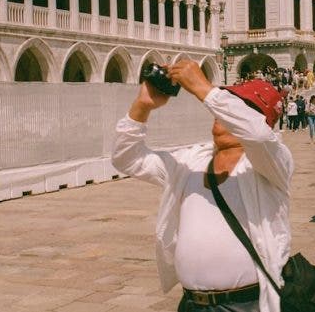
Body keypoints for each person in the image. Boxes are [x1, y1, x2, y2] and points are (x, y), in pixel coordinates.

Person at [112, 60, 292, 312]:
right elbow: (127, 159)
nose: (223, 112)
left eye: (237, 106)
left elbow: (259, 135)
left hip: (246, 304)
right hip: (192, 304)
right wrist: (143, 106)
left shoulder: (270, 165)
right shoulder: (191, 161)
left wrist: (202, 87)